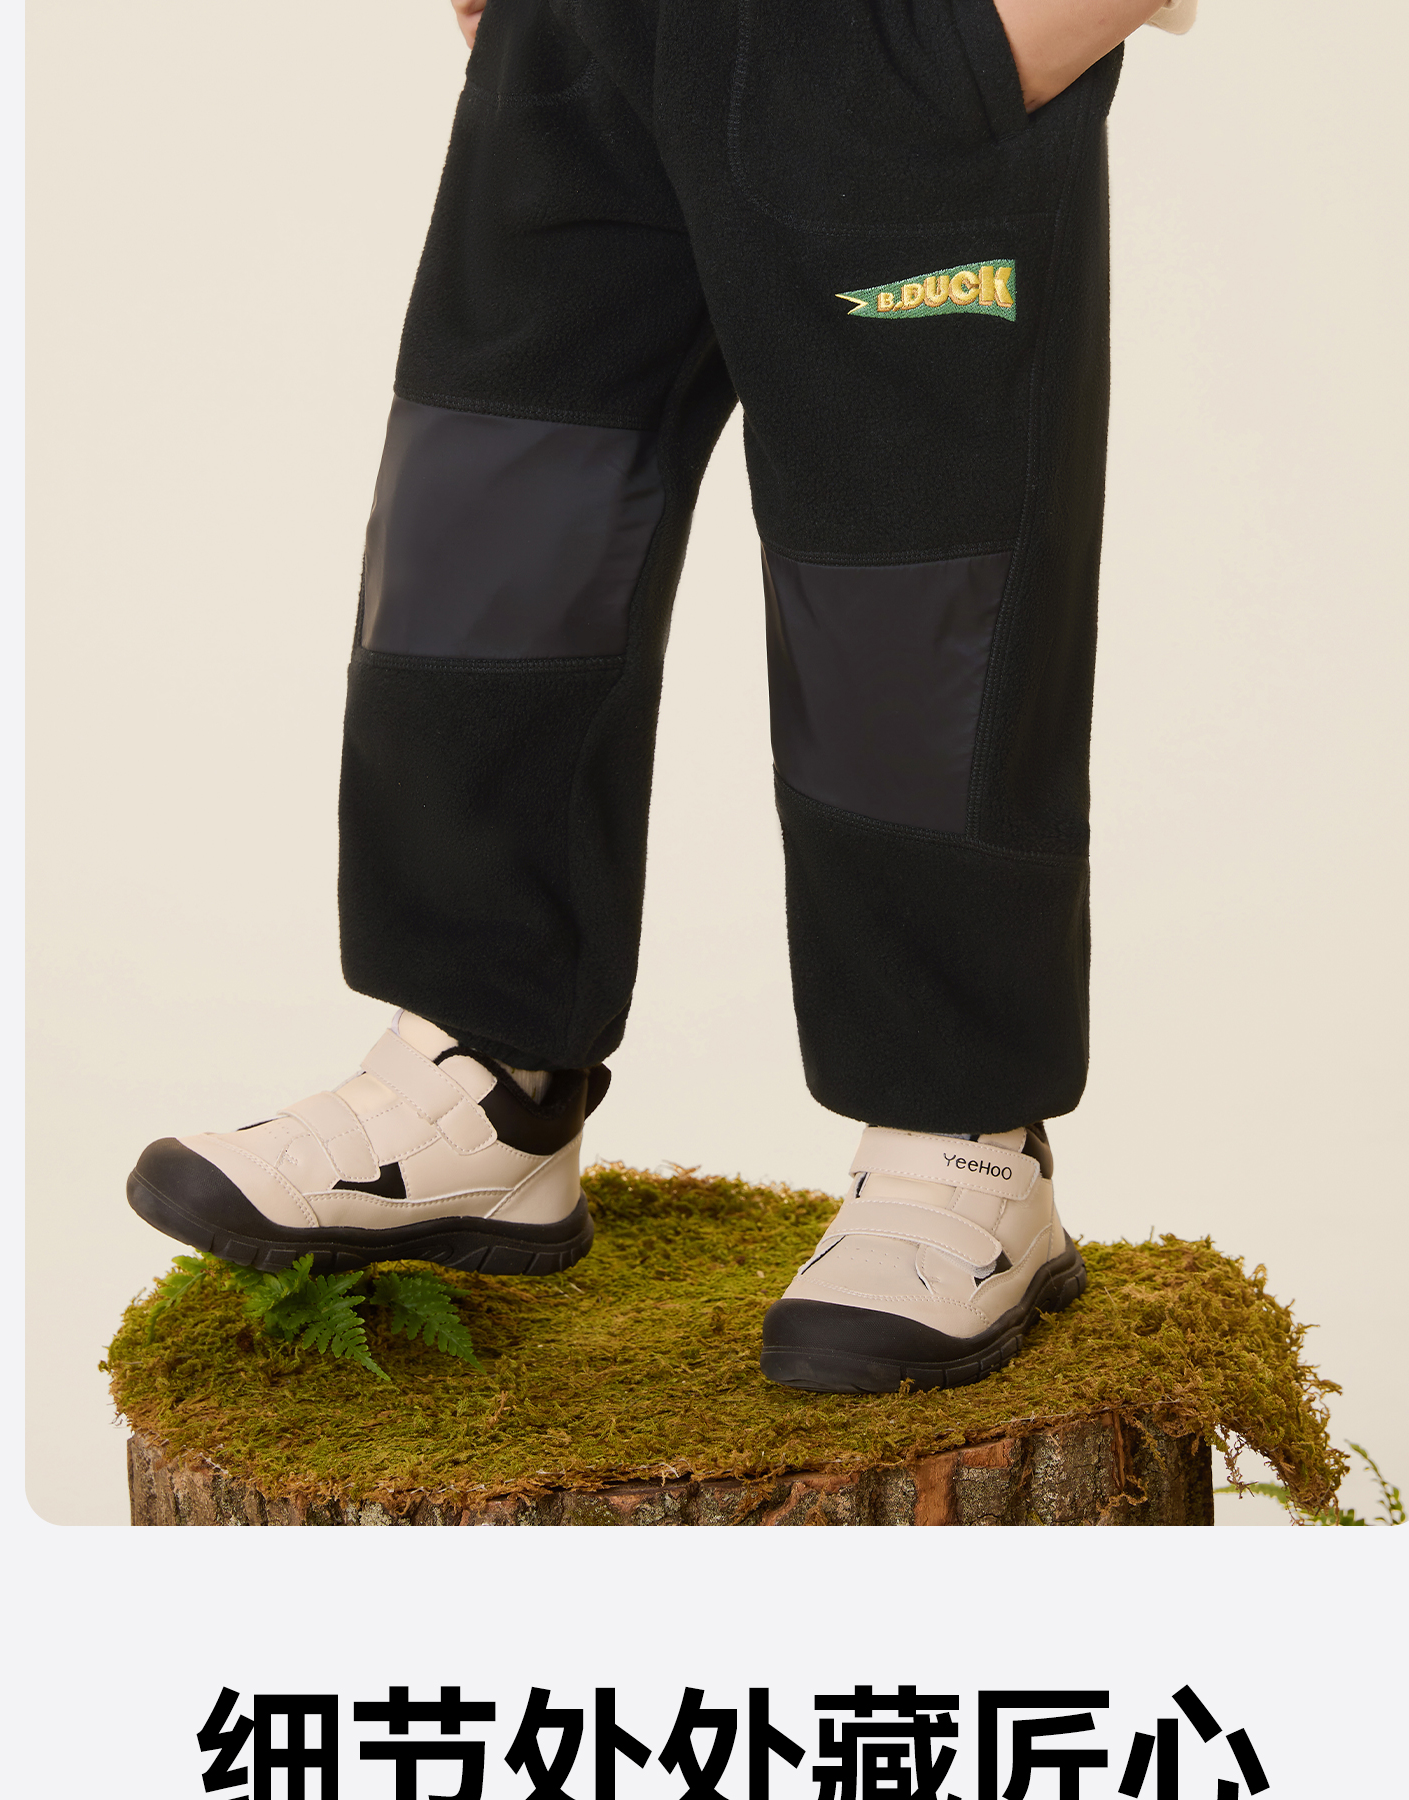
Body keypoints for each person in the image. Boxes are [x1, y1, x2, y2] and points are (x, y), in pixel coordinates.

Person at [126, 0, 1197, 1394]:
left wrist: (1011, 37)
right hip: (582, 32)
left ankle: (963, 1144)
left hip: (903, 44)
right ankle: (488, 1086)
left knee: (912, 607)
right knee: (487, 528)